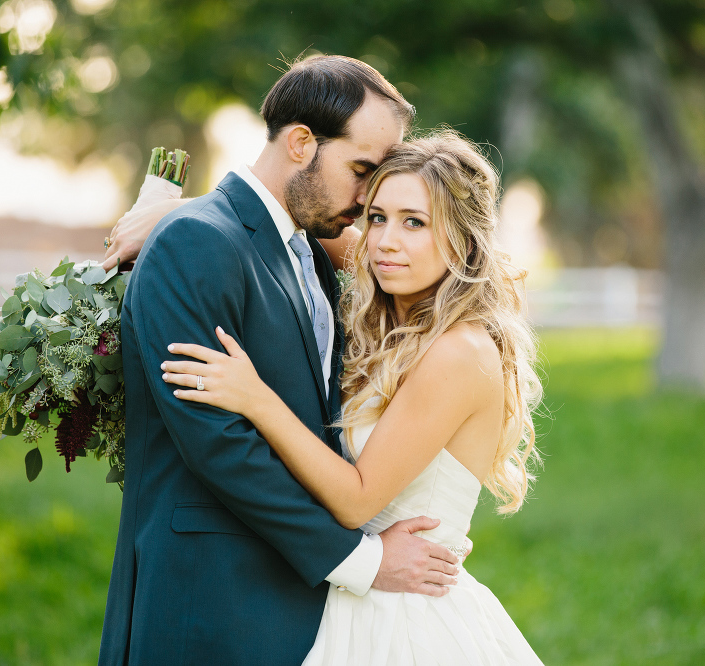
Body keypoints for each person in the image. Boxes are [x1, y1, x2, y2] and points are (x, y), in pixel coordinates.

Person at [99, 56, 464, 666]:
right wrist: (365, 561)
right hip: (208, 603)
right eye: (362, 170)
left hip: (289, 602)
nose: (367, 196)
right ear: (301, 143)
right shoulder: (197, 242)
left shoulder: (309, 253)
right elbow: (220, 444)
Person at [159, 130, 545, 664]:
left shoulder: (459, 352)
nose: (386, 241)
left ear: (462, 238)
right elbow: (271, 224)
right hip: (355, 597)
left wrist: (256, 398)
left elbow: (359, 497)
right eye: (378, 217)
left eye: (415, 222)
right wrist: (169, 217)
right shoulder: (398, 310)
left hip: (407, 619)